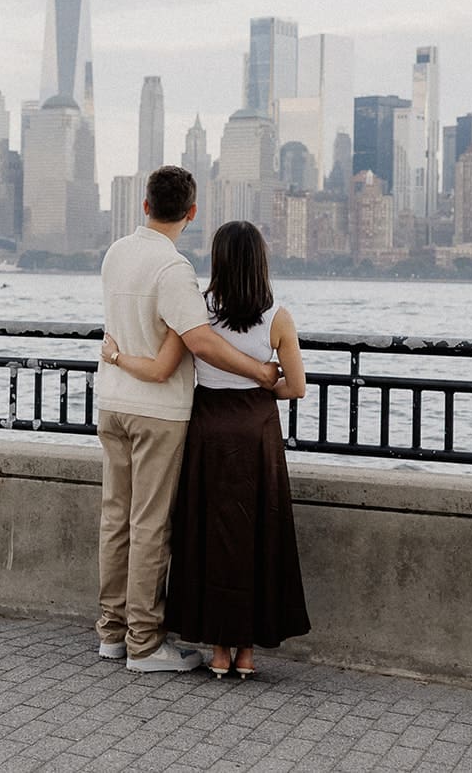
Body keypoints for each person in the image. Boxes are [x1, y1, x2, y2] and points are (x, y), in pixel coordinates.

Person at [102, 219, 310, 678]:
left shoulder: (199, 311)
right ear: (261, 262)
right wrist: (262, 382)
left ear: (217, 261)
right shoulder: (279, 317)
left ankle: (217, 651)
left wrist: (115, 357)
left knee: (212, 538)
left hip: (209, 429)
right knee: (256, 537)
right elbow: (295, 387)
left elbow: (162, 367)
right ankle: (248, 654)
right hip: (255, 432)